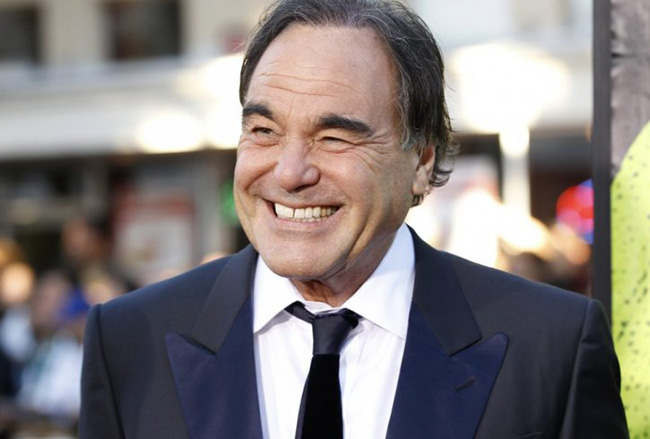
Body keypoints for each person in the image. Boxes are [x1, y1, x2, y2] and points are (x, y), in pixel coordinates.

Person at [80, 0, 628, 438]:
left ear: (422, 161)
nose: (289, 173)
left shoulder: (551, 345)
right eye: (264, 131)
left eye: (335, 138)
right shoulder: (129, 341)